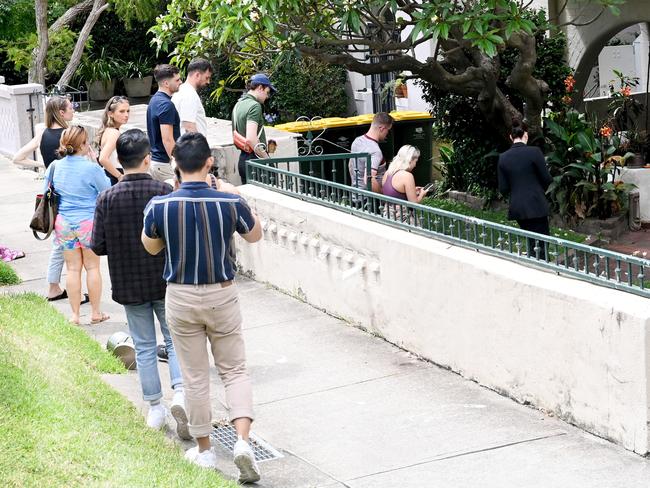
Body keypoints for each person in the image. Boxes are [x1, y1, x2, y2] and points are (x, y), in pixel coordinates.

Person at [142, 132, 263, 483]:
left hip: (180, 296)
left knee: (195, 377)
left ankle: (206, 450)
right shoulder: (228, 202)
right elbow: (254, 235)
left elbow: (150, 248)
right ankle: (242, 443)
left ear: (176, 165)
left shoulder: (160, 205)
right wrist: (231, 192)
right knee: (235, 370)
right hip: (222, 293)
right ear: (209, 162)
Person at [91, 129, 190, 438]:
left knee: (145, 347)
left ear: (119, 160)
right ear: (148, 158)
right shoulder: (162, 191)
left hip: (129, 282)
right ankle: (182, 394)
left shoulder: (107, 197)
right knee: (174, 341)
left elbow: (98, 245)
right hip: (164, 279)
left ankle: (155, 408)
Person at [13, 96, 86, 302]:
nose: (73, 110)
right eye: (71, 108)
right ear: (61, 113)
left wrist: (44, 167)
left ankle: (55, 287)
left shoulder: (42, 134)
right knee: (72, 245)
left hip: (52, 194)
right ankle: (69, 291)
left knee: (60, 243)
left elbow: (17, 157)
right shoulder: (68, 136)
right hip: (71, 195)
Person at [44, 126, 111, 324]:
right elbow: (106, 190)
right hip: (88, 222)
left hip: (63, 223)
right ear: (83, 144)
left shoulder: (55, 166)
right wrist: (93, 161)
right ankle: (96, 313)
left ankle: (74, 315)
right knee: (92, 267)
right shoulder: (91, 168)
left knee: (72, 269)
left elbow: (45, 192)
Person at [497, 118, 553, 258]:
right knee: (542, 245)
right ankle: (542, 272)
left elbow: (503, 188)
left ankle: (533, 266)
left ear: (511, 137)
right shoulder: (535, 152)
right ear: (526, 135)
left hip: (518, 207)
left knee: (530, 242)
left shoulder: (503, 158)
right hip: (536, 204)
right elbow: (547, 179)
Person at [232, 73, 275, 184]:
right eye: (267, 92)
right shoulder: (255, 106)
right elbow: (251, 139)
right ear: (260, 88)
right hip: (256, 162)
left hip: (243, 160)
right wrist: (267, 160)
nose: (267, 96)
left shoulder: (238, 104)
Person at [146, 64, 181, 182]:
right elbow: (167, 140)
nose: (180, 82)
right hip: (164, 164)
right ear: (166, 83)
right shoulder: (166, 105)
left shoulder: (154, 100)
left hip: (156, 162)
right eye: (177, 80)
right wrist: (178, 162)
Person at [349, 112, 394, 194]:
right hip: (370, 200)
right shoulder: (375, 151)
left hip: (356, 194)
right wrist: (382, 195)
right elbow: (368, 179)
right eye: (388, 130)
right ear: (382, 128)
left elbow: (351, 166)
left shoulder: (357, 141)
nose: (387, 134)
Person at [172, 58, 212, 136]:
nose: (208, 82)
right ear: (197, 75)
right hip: (190, 146)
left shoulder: (182, 90)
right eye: (207, 78)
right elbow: (189, 126)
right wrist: (200, 146)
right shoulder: (189, 94)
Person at [97, 96, 130, 185]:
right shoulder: (114, 133)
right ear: (110, 113)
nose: (126, 115)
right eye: (122, 111)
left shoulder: (109, 130)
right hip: (114, 177)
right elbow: (103, 159)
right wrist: (119, 176)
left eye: (128, 111)